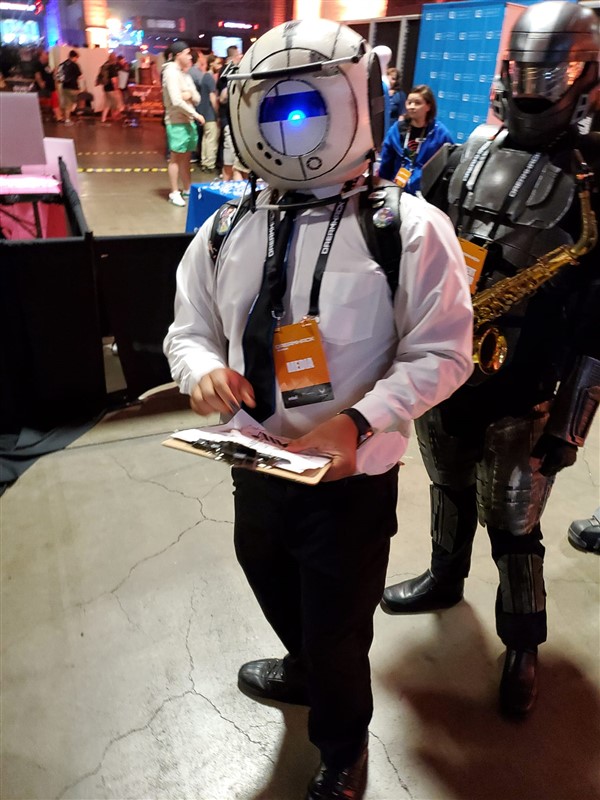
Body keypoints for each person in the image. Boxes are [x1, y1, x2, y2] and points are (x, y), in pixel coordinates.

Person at [163, 18, 473, 800]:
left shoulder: (407, 229)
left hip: (349, 483)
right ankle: (305, 669)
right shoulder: (227, 226)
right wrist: (201, 370)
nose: (287, 127)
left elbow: (444, 353)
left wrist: (358, 421)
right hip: (254, 462)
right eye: (271, 108)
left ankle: (342, 746)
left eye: (304, 107)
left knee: (339, 627)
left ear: (359, 101)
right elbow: (188, 329)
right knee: (265, 572)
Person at [381, 0, 600, 719]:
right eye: (523, 79)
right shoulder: (467, 151)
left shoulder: (593, 180)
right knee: (447, 486)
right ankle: (444, 579)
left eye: (549, 81)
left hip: (529, 380)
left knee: (513, 521)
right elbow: (415, 239)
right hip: (449, 363)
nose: (532, 96)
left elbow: (599, 324)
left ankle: (523, 644)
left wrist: (570, 424)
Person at [378, 84, 453, 194]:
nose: (412, 107)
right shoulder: (397, 130)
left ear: (428, 106)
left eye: (417, 103)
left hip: (426, 194)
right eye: (409, 102)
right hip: (397, 189)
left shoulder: (440, 133)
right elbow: (386, 162)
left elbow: (449, 165)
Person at [162, 41, 205, 207]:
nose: (190, 57)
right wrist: (195, 113)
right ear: (178, 55)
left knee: (186, 158)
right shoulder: (170, 72)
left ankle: (187, 189)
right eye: (187, 53)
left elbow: (197, 97)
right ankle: (174, 192)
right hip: (176, 121)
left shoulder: (184, 74)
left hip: (187, 121)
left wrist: (188, 95)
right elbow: (176, 100)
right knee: (175, 158)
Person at [198, 54, 221, 172]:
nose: (219, 66)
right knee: (212, 140)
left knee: (206, 139)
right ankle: (210, 164)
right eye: (218, 63)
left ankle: (204, 162)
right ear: (211, 63)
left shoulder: (204, 77)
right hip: (210, 114)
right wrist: (218, 113)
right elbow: (213, 98)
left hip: (203, 113)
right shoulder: (210, 78)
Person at [33, 50, 62, 122]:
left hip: (51, 87)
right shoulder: (37, 64)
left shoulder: (46, 65)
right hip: (44, 88)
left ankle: (58, 117)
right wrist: (41, 83)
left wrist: (54, 72)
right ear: (40, 56)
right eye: (45, 54)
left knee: (55, 101)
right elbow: (37, 75)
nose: (47, 56)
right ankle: (57, 116)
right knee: (45, 102)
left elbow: (49, 74)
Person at [56, 49, 81, 127]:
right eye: (76, 58)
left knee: (67, 104)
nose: (77, 59)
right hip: (73, 87)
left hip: (64, 87)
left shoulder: (62, 64)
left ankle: (66, 119)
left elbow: (58, 75)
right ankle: (70, 117)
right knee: (75, 102)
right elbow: (79, 75)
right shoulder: (75, 65)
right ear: (74, 57)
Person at [99, 52, 123, 125]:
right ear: (115, 59)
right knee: (120, 106)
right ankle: (116, 116)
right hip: (112, 89)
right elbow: (114, 80)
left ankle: (103, 119)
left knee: (107, 105)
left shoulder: (105, 66)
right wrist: (117, 89)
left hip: (106, 88)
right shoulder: (112, 67)